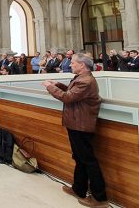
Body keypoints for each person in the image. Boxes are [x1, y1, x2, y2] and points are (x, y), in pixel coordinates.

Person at [42, 53, 108, 208]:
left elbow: (68, 98)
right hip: (76, 123)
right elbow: (73, 93)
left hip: (81, 125)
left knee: (88, 160)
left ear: (82, 65)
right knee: (79, 157)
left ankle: (100, 198)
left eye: (73, 62)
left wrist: (50, 87)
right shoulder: (81, 78)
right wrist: (58, 84)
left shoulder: (86, 80)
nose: (70, 64)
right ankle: (79, 189)